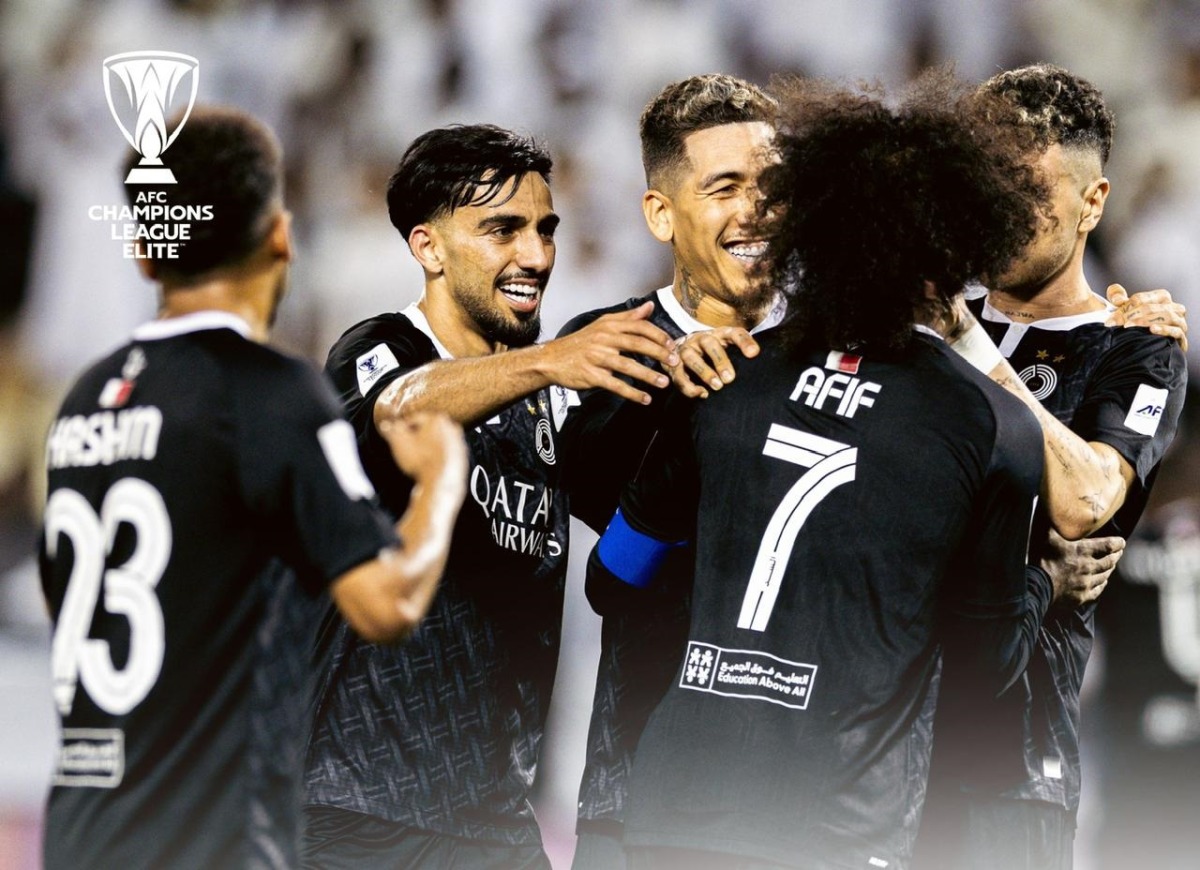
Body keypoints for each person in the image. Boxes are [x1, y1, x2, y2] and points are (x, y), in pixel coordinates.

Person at [584, 69, 1055, 870]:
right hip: (835, 828)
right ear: (961, 248)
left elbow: (614, 578)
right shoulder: (994, 424)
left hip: (670, 811)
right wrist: (1047, 582)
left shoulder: (722, 375)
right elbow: (988, 675)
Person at [39, 106, 467, 870]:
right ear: (278, 236)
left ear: (145, 251)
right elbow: (389, 603)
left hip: (80, 833)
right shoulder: (268, 395)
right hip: (209, 839)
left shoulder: (85, 400)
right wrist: (441, 480)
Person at [301, 124, 678, 869]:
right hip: (353, 814)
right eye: (502, 230)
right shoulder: (378, 351)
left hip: (492, 817)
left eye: (544, 230)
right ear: (428, 248)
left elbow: (621, 558)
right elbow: (402, 406)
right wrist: (548, 362)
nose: (536, 257)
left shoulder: (546, 401)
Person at [914, 64, 1189, 870]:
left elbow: (1085, 503)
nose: (1002, 212)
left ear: (1092, 204)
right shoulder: (913, 327)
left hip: (1007, 765)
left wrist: (964, 345)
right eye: (987, 184)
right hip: (866, 745)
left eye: (1030, 189)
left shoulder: (1135, 347)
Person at [558, 73, 781, 870]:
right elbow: (605, 528)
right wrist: (677, 391)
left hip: (809, 795)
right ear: (661, 213)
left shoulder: (840, 349)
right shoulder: (605, 352)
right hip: (641, 782)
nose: (756, 209)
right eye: (725, 187)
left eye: (772, 186)